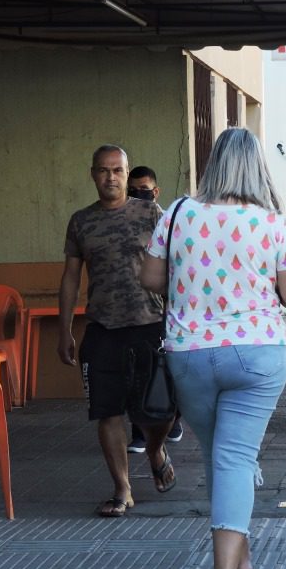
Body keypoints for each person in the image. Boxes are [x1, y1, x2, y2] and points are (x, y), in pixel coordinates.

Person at [141, 127, 286, 569]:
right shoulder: (271, 222)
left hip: (190, 352)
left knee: (223, 452)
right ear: (258, 165)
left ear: (212, 162)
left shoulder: (177, 213)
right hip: (256, 354)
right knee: (235, 455)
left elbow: (152, 277)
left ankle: (241, 556)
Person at [58, 145, 177, 518]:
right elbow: (71, 277)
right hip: (103, 329)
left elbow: (175, 266)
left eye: (117, 170)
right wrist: (65, 329)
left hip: (149, 325)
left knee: (159, 411)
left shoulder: (152, 214)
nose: (110, 177)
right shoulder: (81, 222)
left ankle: (156, 449)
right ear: (92, 174)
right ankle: (122, 489)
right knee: (106, 412)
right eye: (103, 170)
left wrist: (178, 319)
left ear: (127, 175)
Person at [125, 165, 184, 452]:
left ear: (155, 192)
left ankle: (172, 418)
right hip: (126, 309)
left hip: (159, 308)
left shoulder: (166, 221)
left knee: (162, 369)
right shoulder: (119, 219)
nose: (137, 196)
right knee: (134, 372)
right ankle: (140, 432)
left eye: (143, 191)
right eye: (132, 191)